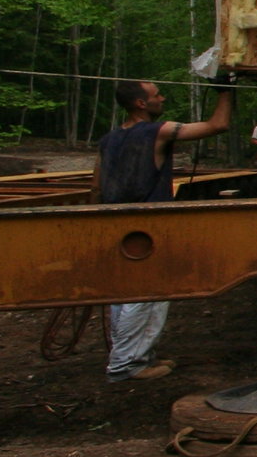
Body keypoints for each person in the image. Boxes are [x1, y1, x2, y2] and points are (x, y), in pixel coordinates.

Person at [95, 77, 238, 382]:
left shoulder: (108, 140)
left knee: (126, 293)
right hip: (149, 225)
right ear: (140, 104)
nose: (162, 98)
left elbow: (97, 186)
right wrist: (226, 91)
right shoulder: (156, 131)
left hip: (114, 222)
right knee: (146, 293)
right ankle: (126, 365)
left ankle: (138, 357)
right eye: (157, 95)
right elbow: (217, 125)